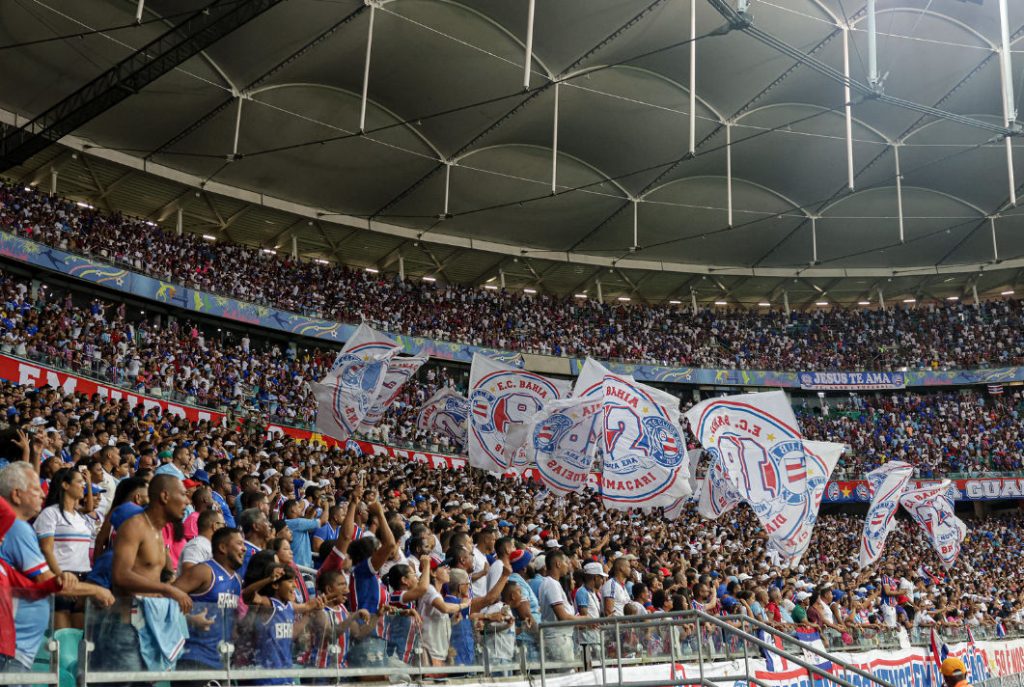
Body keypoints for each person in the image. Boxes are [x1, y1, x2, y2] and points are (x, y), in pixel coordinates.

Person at [0, 461, 112, 672]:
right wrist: (96, 589)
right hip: (11, 649)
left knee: (78, 645)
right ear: (16, 495)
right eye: (35, 490)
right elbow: (46, 579)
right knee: (62, 649)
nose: (42, 494)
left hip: (14, 648)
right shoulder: (21, 528)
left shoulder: (18, 528)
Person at [102, 474, 193, 674]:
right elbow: (120, 575)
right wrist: (168, 589)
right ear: (165, 496)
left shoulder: (159, 531)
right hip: (126, 628)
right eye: (183, 494)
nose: (187, 501)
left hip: (149, 626)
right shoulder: (135, 526)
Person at [173, 527, 245, 673]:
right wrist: (189, 619)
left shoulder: (237, 580)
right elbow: (166, 599)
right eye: (239, 543)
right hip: (194, 658)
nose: (244, 549)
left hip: (222, 660)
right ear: (223, 547)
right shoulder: (203, 571)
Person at [33, 466, 96, 628]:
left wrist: (88, 483)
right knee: (61, 642)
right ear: (65, 485)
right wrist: (61, 577)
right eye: (79, 482)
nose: (83, 485)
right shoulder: (50, 514)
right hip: (61, 577)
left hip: (83, 577)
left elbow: (89, 507)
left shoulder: (80, 516)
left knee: (79, 640)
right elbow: (46, 549)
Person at [246, 564, 324, 685]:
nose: (294, 586)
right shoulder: (269, 604)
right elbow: (248, 595)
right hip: (266, 677)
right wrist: (268, 579)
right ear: (275, 584)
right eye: (290, 581)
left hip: (286, 675)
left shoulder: (290, 606)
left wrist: (314, 608)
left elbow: (307, 607)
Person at [537, 549, 578, 662]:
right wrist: (585, 619)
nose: (567, 566)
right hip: (558, 638)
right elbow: (562, 616)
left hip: (561, 637)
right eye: (566, 562)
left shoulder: (552, 583)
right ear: (558, 564)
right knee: (566, 675)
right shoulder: (551, 584)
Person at [178, 508, 225, 575]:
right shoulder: (196, 546)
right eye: (223, 524)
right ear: (215, 526)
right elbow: (189, 576)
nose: (225, 528)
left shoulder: (206, 545)